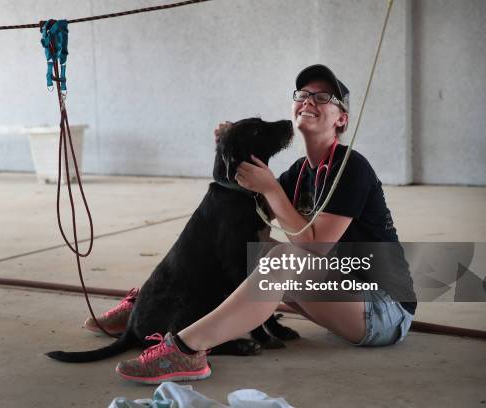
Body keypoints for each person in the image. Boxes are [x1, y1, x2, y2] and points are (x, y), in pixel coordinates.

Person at [86, 64, 416, 384]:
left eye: (323, 97)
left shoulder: (350, 167)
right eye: (303, 94)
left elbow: (315, 246)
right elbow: (232, 215)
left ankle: (185, 349)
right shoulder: (301, 172)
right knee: (239, 247)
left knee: (281, 257)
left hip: (383, 310)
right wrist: (234, 142)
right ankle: (149, 302)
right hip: (343, 295)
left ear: (341, 119)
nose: (309, 101)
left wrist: (272, 188)